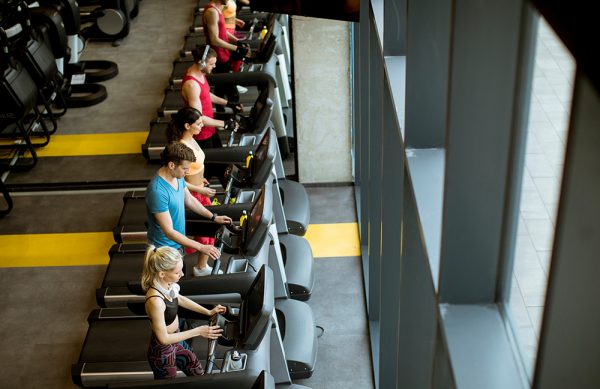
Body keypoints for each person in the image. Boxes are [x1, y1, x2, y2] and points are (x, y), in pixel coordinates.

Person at [146, 142, 232, 276]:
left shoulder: (176, 176)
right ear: (171, 165)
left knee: (180, 277)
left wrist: (213, 217)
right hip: (165, 250)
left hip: (177, 244)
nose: (187, 172)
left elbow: (190, 200)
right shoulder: (157, 191)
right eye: (185, 168)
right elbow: (169, 231)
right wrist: (201, 247)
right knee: (173, 284)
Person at [142, 245, 227, 379]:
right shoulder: (155, 301)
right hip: (162, 352)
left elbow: (179, 299)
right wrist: (198, 331)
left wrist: (208, 312)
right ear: (162, 274)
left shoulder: (167, 286)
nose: (182, 274)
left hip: (177, 339)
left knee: (198, 373)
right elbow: (163, 339)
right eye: (177, 272)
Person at [166, 107, 220, 276]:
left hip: (200, 190)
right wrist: (199, 189)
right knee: (204, 233)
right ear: (187, 125)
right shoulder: (181, 147)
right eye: (198, 123)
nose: (202, 125)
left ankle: (201, 266)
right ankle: (200, 268)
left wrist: (201, 179)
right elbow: (179, 180)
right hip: (192, 194)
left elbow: (195, 168)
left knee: (211, 231)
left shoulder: (193, 140)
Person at [181, 45, 241, 186]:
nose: (214, 67)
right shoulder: (192, 85)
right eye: (212, 64)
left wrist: (228, 103)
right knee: (205, 172)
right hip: (201, 135)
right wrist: (225, 124)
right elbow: (198, 119)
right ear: (201, 63)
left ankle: (230, 194)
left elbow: (207, 95)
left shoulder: (200, 74)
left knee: (221, 165)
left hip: (210, 130)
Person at [202, 0, 250, 100]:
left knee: (222, 86)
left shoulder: (219, 7)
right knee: (228, 88)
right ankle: (228, 108)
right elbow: (214, 40)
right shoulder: (212, 12)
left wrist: (237, 41)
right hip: (218, 55)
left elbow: (222, 29)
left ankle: (223, 110)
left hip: (223, 51)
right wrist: (236, 48)